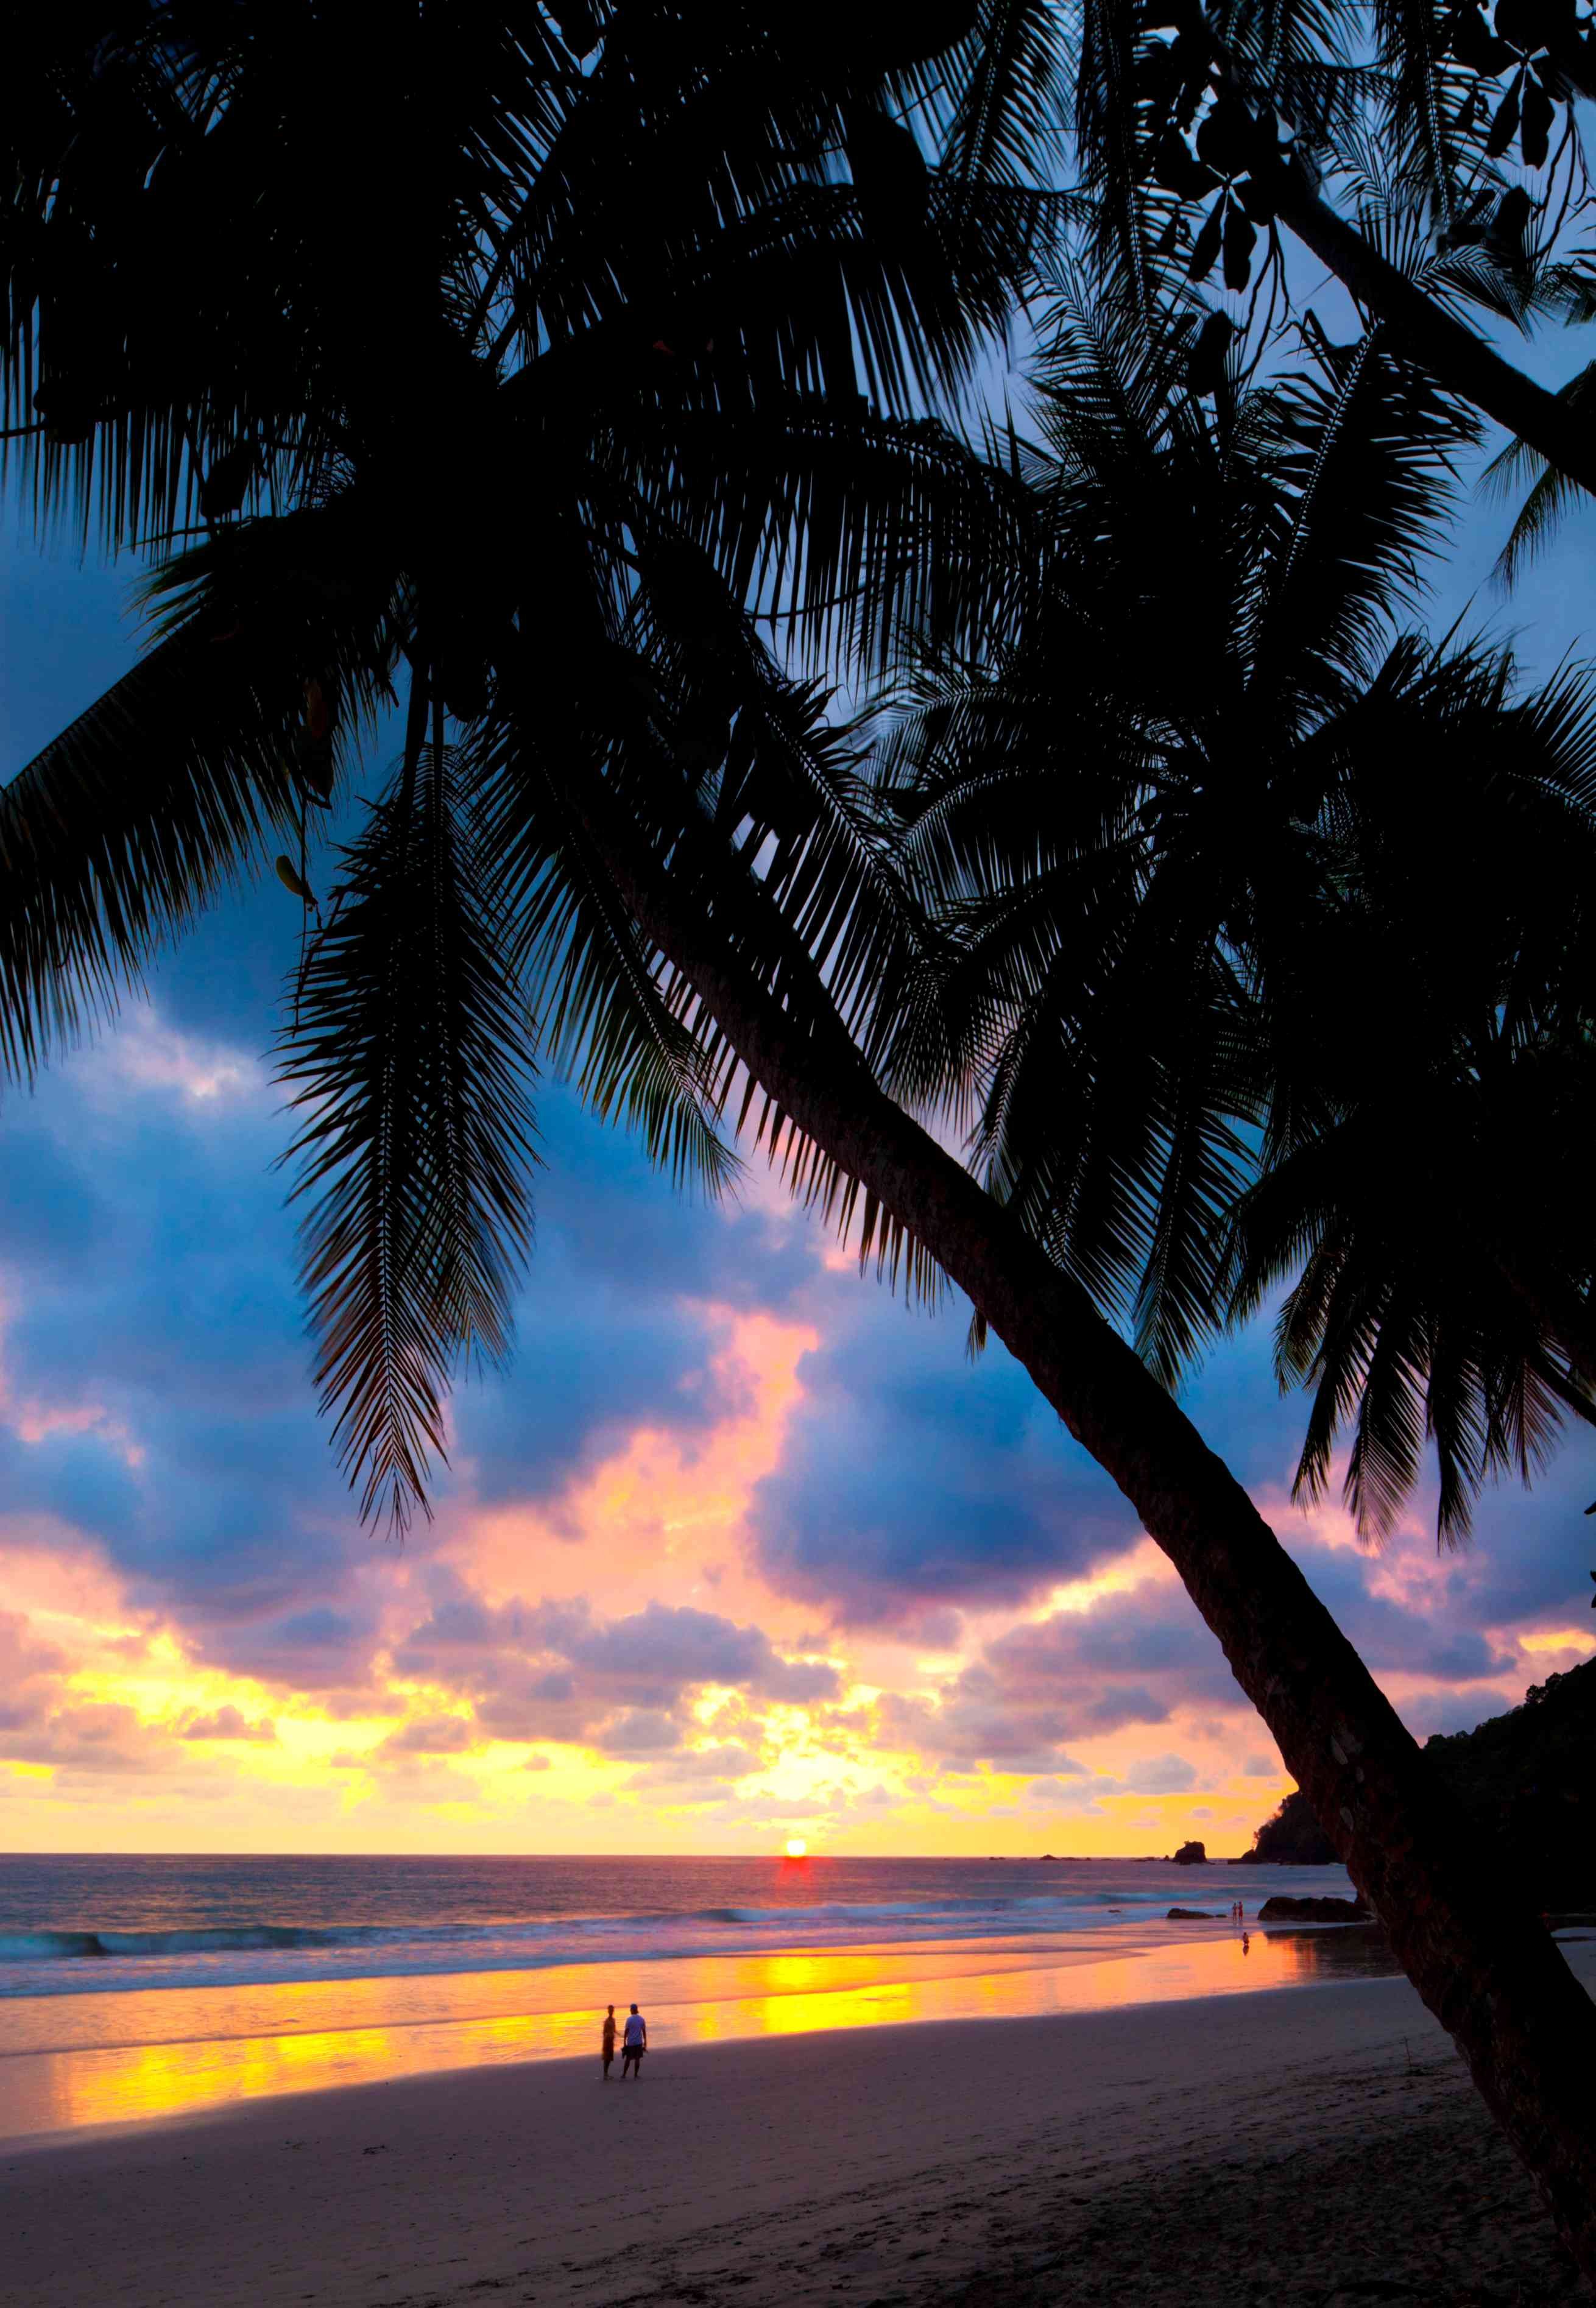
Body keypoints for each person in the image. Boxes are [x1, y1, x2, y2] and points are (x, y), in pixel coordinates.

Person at [621, 2002, 647, 2078]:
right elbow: (644, 2032)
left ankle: (624, 2075)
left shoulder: (629, 2020)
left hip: (631, 2042)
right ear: (637, 2010)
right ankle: (636, 2075)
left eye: (630, 2009)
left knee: (628, 2059)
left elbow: (626, 2032)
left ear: (632, 2010)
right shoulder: (642, 2019)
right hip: (639, 2042)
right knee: (637, 2059)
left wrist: (624, 2043)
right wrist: (645, 2042)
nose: (630, 2010)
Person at [601, 2005, 617, 2081]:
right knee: (606, 2058)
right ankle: (605, 2074)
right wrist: (606, 2039)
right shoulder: (606, 2021)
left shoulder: (614, 2020)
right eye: (610, 2010)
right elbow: (604, 2032)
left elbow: (614, 2030)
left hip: (611, 2041)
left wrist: (621, 2035)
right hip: (607, 2042)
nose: (611, 2012)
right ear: (608, 2011)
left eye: (612, 2010)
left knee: (610, 2059)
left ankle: (607, 2074)